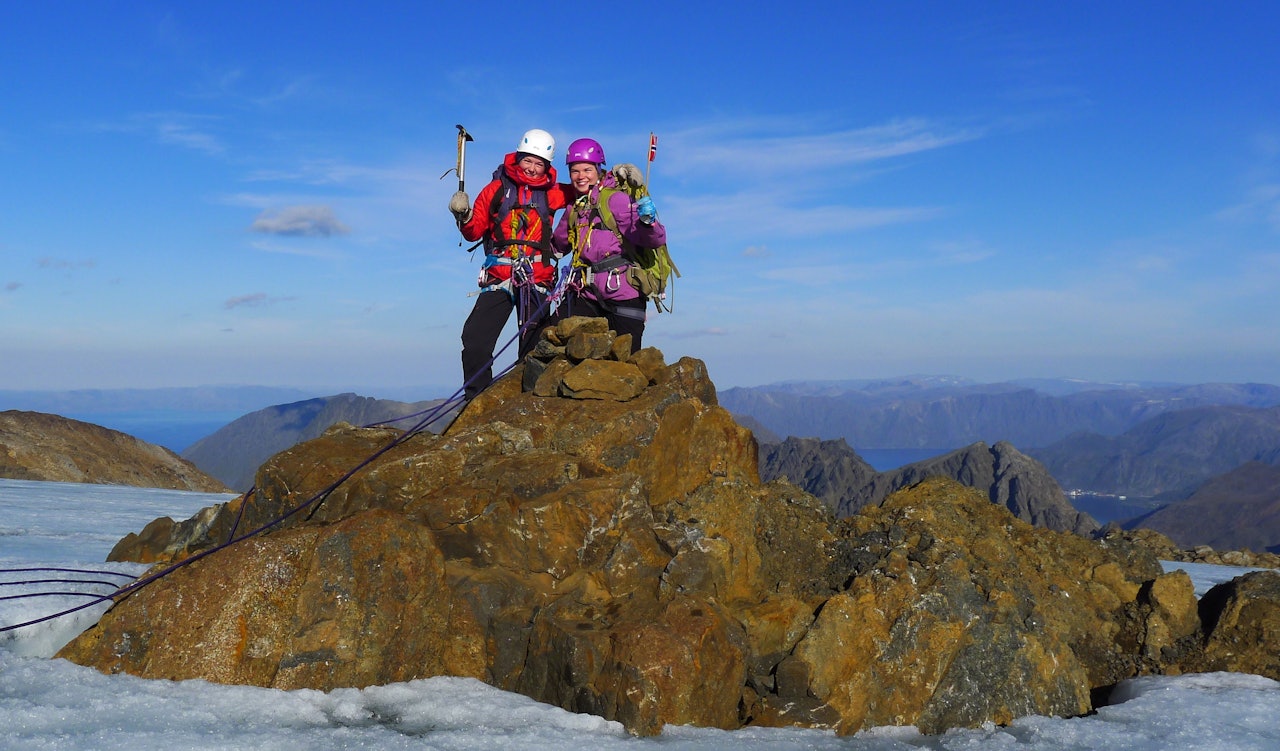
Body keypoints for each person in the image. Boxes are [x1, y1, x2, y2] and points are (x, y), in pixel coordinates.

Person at [449, 128, 566, 401]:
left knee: (534, 348)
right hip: (500, 277)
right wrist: (464, 216)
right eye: (529, 161)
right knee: (475, 340)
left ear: (547, 166)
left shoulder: (554, 192)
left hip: (537, 278)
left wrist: (614, 180)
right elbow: (475, 230)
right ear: (518, 157)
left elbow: (587, 187)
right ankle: (476, 400)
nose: (533, 169)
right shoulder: (497, 189)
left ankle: (528, 403)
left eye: (540, 164)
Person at [551, 138, 667, 351]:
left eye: (587, 169)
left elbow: (654, 240)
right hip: (584, 292)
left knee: (627, 359)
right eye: (575, 171)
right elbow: (558, 245)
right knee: (552, 338)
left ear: (598, 169)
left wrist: (648, 223)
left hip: (622, 292)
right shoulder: (575, 208)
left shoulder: (615, 200)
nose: (581, 176)